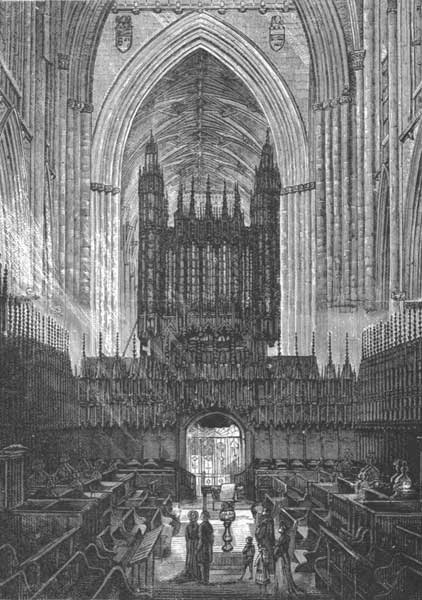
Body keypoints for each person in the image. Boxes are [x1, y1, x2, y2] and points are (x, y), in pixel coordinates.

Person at [274, 522, 302, 597]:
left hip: (283, 554)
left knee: (284, 569)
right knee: (284, 570)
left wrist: (276, 550)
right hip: (283, 554)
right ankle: (285, 587)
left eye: (281, 528)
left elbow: (279, 546)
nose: (279, 529)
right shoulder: (284, 536)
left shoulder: (284, 537)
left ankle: (286, 587)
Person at [255, 507, 275, 573]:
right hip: (265, 539)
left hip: (266, 539)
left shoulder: (268, 520)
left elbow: (271, 532)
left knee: (267, 553)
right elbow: (259, 531)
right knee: (265, 554)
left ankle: (269, 569)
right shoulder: (266, 520)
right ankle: (268, 569)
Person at [183, 510, 200, 580]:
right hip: (190, 543)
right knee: (190, 557)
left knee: (195, 558)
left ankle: (196, 574)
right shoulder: (188, 526)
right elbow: (186, 536)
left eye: (194, 515)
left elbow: (199, 535)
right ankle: (189, 572)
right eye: (191, 515)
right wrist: (188, 543)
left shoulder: (198, 526)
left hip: (196, 543)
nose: (193, 517)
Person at [198, 510, 214, 584]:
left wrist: (197, 549)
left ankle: (204, 580)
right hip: (209, 546)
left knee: (203, 564)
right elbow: (211, 537)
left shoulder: (202, 525)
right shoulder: (209, 525)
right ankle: (206, 580)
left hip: (203, 547)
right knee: (206, 565)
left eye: (202, 516)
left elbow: (201, 538)